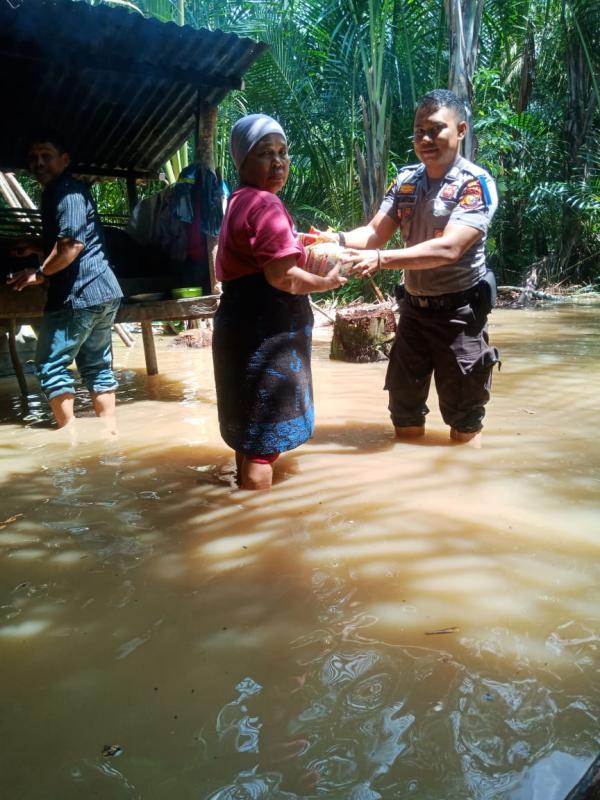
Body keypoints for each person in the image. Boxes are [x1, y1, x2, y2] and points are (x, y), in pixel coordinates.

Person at [326, 89, 500, 444]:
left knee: (464, 421)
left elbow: (449, 249)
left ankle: (462, 491)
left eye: (435, 129)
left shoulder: (475, 184)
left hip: (459, 316)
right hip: (414, 315)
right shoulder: (406, 181)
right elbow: (374, 233)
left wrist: (380, 259)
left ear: (461, 130)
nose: (425, 139)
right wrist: (336, 240)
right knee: (403, 411)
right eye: (419, 130)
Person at [212, 113, 347, 490]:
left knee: (250, 436)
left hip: (238, 327)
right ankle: (258, 527)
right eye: (264, 153)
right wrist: (326, 281)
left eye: (283, 152)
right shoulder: (266, 205)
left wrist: (302, 243)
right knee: (263, 448)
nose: (278, 162)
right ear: (242, 162)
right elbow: (282, 276)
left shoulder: (239, 200)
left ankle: (242, 509)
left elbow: (261, 253)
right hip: (265, 333)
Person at [7, 132, 123, 428]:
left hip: (79, 294)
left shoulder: (67, 192)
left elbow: (72, 246)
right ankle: (108, 432)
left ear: (64, 159)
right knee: (97, 367)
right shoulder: (61, 191)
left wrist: (40, 272)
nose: (39, 162)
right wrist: (37, 247)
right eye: (33, 157)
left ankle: (69, 436)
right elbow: (69, 242)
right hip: (102, 292)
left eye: (46, 155)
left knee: (50, 365)